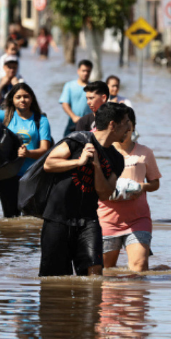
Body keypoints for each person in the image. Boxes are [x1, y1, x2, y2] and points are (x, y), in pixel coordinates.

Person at [39, 103, 130, 277]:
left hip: (88, 221)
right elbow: (49, 163)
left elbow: (105, 193)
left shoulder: (117, 159)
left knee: (94, 274)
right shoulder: (78, 139)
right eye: (126, 122)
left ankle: (92, 305)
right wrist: (79, 162)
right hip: (57, 219)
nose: (129, 127)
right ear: (112, 124)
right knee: (55, 279)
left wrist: (96, 165)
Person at [0, 82, 53, 218]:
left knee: (32, 217)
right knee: (10, 218)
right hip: (6, 175)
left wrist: (28, 153)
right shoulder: (5, 116)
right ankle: (11, 240)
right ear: (12, 99)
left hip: (32, 176)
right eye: (18, 97)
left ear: (32, 99)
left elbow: (45, 150)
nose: (22, 100)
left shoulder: (41, 120)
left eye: (26, 96)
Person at [100, 106, 160, 272]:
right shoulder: (104, 153)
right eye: (121, 124)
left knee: (139, 268)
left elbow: (155, 183)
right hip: (106, 219)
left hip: (138, 219)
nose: (125, 129)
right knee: (106, 271)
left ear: (133, 126)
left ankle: (134, 297)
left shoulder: (145, 152)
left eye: (129, 124)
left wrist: (142, 187)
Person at [59, 59, 94, 136]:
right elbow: (65, 103)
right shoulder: (69, 85)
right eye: (83, 70)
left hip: (89, 125)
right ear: (78, 71)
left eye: (88, 71)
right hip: (73, 124)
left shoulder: (94, 87)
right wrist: (73, 116)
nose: (86, 73)